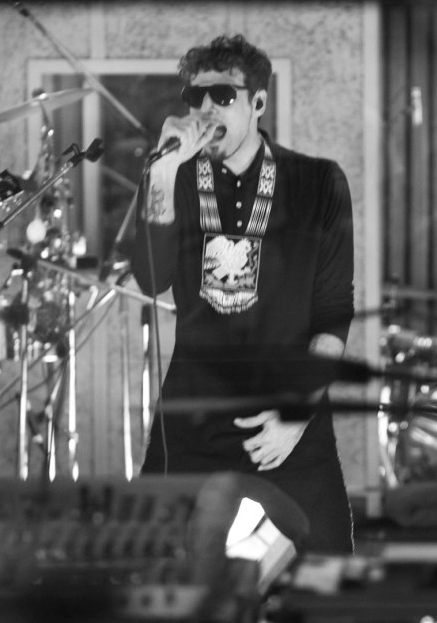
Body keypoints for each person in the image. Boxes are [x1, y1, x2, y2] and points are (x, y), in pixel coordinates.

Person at [132, 34, 355, 553]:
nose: (206, 109)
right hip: (194, 413)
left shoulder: (317, 182)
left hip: (284, 412)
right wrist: (160, 173)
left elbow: (333, 313)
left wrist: (297, 413)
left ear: (257, 103)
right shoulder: (175, 178)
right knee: (155, 565)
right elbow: (151, 278)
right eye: (195, 97)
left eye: (223, 96)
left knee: (326, 571)